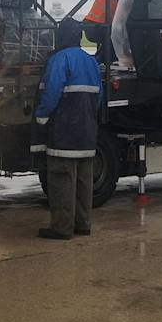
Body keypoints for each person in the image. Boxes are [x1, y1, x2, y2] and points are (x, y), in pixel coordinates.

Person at [32, 18, 102, 239]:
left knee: (62, 179)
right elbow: (99, 96)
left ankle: (62, 228)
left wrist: (42, 116)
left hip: (64, 131)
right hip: (87, 132)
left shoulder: (59, 60)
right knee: (84, 181)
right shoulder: (90, 61)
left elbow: (51, 92)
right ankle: (83, 224)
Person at [81, 0, 119, 64]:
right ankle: (99, 59)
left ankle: (99, 57)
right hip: (98, 28)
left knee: (111, 39)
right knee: (116, 39)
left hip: (90, 27)